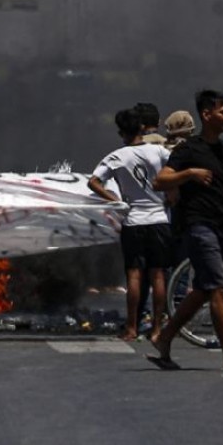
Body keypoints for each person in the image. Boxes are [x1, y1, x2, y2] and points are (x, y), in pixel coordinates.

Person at [148, 90, 223, 372]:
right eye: (222, 112)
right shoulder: (190, 149)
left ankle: (163, 337)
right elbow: (160, 180)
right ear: (206, 114)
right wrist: (189, 174)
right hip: (199, 227)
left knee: (202, 289)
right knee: (217, 288)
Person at [87, 108, 171, 342]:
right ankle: (156, 329)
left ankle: (132, 328)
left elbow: (93, 182)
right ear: (143, 128)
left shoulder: (116, 156)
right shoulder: (159, 151)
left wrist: (115, 199)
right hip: (159, 220)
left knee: (134, 275)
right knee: (158, 276)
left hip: (133, 221)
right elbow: (175, 171)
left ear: (121, 132)